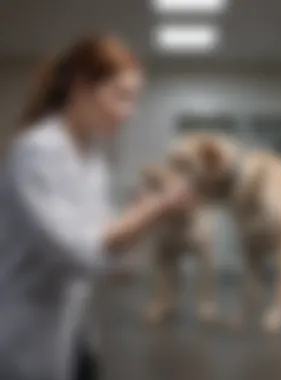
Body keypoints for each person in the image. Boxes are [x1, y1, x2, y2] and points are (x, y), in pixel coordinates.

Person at [0, 35, 195, 380]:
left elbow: (107, 259)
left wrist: (139, 214)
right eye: (120, 96)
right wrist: (152, 210)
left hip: (73, 329)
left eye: (134, 99)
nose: (128, 112)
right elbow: (81, 251)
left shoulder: (93, 160)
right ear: (81, 88)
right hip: (25, 334)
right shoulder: (37, 151)